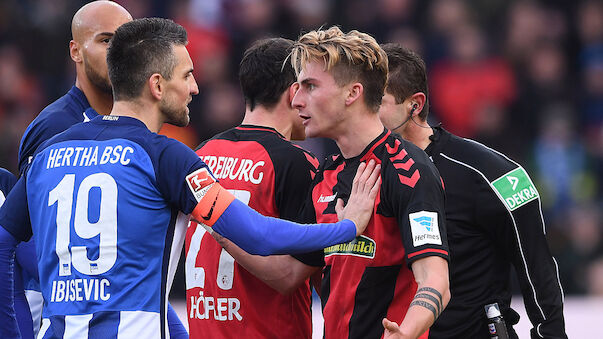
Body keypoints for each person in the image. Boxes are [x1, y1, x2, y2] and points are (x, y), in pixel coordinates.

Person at [0, 18, 379, 338]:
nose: (195, 88)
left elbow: (4, 242)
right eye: (186, 75)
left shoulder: (52, 151)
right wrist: (344, 228)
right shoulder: (166, 157)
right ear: (157, 86)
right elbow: (257, 235)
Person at [378, 43, 567, 339]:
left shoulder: (490, 173)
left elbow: (537, 267)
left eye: (377, 101)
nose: (364, 111)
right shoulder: (361, 173)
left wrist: (551, 334)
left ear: (414, 104)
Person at [290, 27, 450, 339]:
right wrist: (221, 220)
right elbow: (288, 275)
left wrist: (406, 331)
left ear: (352, 93)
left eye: (309, 86)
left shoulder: (409, 170)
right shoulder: (324, 175)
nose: (296, 100)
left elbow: (435, 282)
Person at [186, 37, 324, 338]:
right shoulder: (298, 164)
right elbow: (290, 275)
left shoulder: (199, 155)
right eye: (309, 88)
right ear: (294, 93)